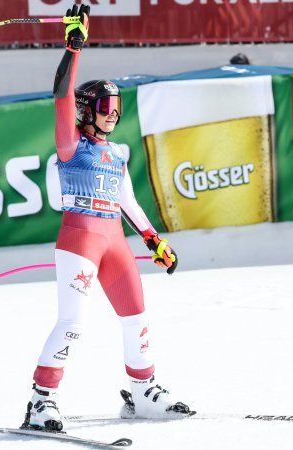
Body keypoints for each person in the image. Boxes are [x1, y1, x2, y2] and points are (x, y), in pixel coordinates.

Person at [21, 3, 194, 432]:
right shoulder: (69, 144)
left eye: (116, 107)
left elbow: (128, 201)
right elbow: (60, 95)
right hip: (79, 239)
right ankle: (41, 400)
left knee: (135, 313)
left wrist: (155, 241)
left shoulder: (117, 153)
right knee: (73, 322)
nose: (112, 113)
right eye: (104, 105)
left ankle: (143, 391)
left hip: (114, 240)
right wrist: (73, 48)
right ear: (85, 109)